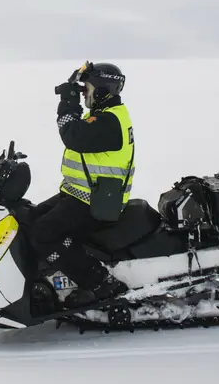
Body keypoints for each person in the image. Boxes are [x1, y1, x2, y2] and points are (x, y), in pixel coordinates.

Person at [27, 61, 134, 308]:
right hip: (82, 194)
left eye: (86, 87)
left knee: (43, 234)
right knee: (28, 217)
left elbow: (73, 135)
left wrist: (68, 101)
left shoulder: (110, 121)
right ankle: (41, 282)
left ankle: (101, 283)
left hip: (98, 202)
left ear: (102, 88)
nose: (84, 92)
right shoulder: (102, 115)